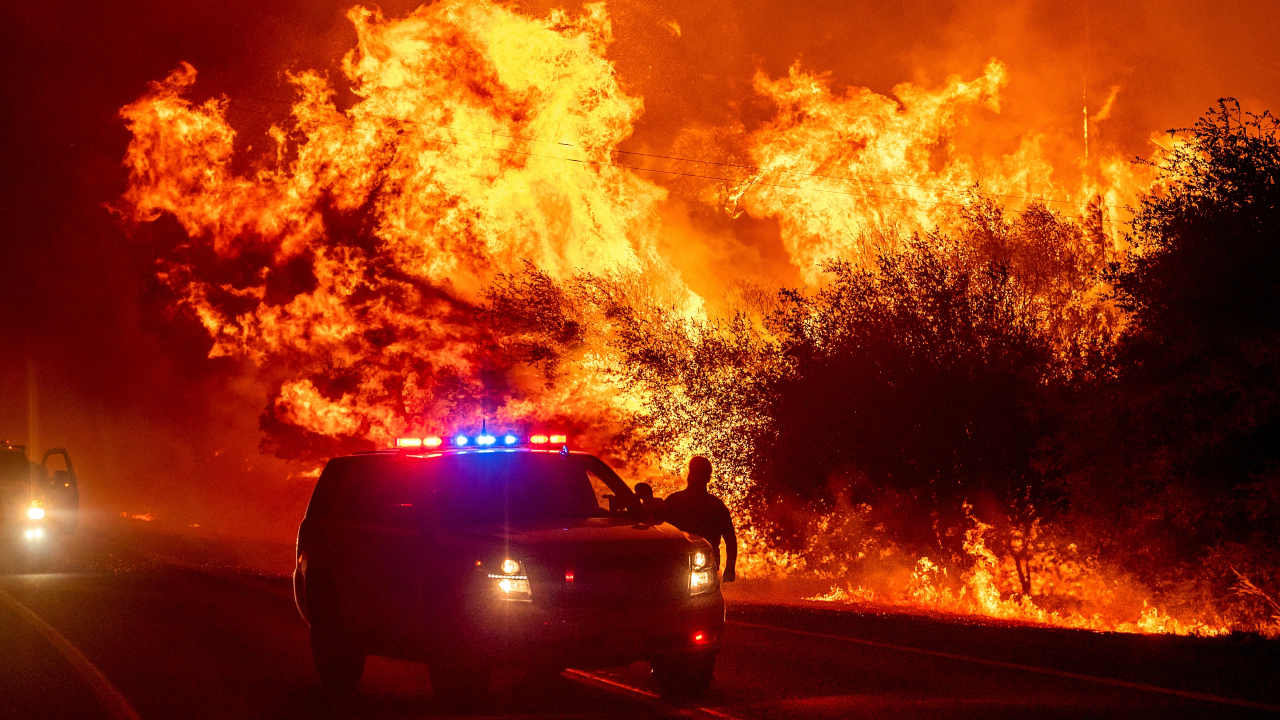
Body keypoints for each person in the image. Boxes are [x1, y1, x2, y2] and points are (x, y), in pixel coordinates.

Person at [661, 456, 737, 582]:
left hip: (687, 566)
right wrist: (730, 568)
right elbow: (730, 539)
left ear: (689, 475)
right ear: (709, 478)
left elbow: (730, 539)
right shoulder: (716, 505)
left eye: (699, 473)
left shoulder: (674, 501)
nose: (696, 477)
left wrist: (730, 567)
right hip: (697, 566)